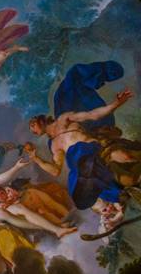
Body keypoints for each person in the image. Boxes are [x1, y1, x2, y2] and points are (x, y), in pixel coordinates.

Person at [26, 61, 140, 210]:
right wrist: (36, 159)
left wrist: (116, 104)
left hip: (97, 150)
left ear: (40, 118)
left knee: (125, 157)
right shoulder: (53, 145)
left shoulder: (64, 118)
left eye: (32, 121)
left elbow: (93, 115)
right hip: (85, 166)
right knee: (105, 179)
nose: (32, 123)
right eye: (31, 128)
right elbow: (55, 170)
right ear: (37, 133)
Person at [0, 155, 77, 238]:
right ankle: (54, 229)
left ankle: (56, 228)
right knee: (1, 213)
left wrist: (2, 202)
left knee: (19, 208)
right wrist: (16, 167)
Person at [0, 182, 73, 227]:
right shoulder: (2, 208)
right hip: (32, 216)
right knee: (42, 212)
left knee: (34, 193)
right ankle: (59, 225)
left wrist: (16, 194)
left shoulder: (10, 191)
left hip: (32, 201)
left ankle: (68, 215)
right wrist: (11, 201)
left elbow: (20, 194)